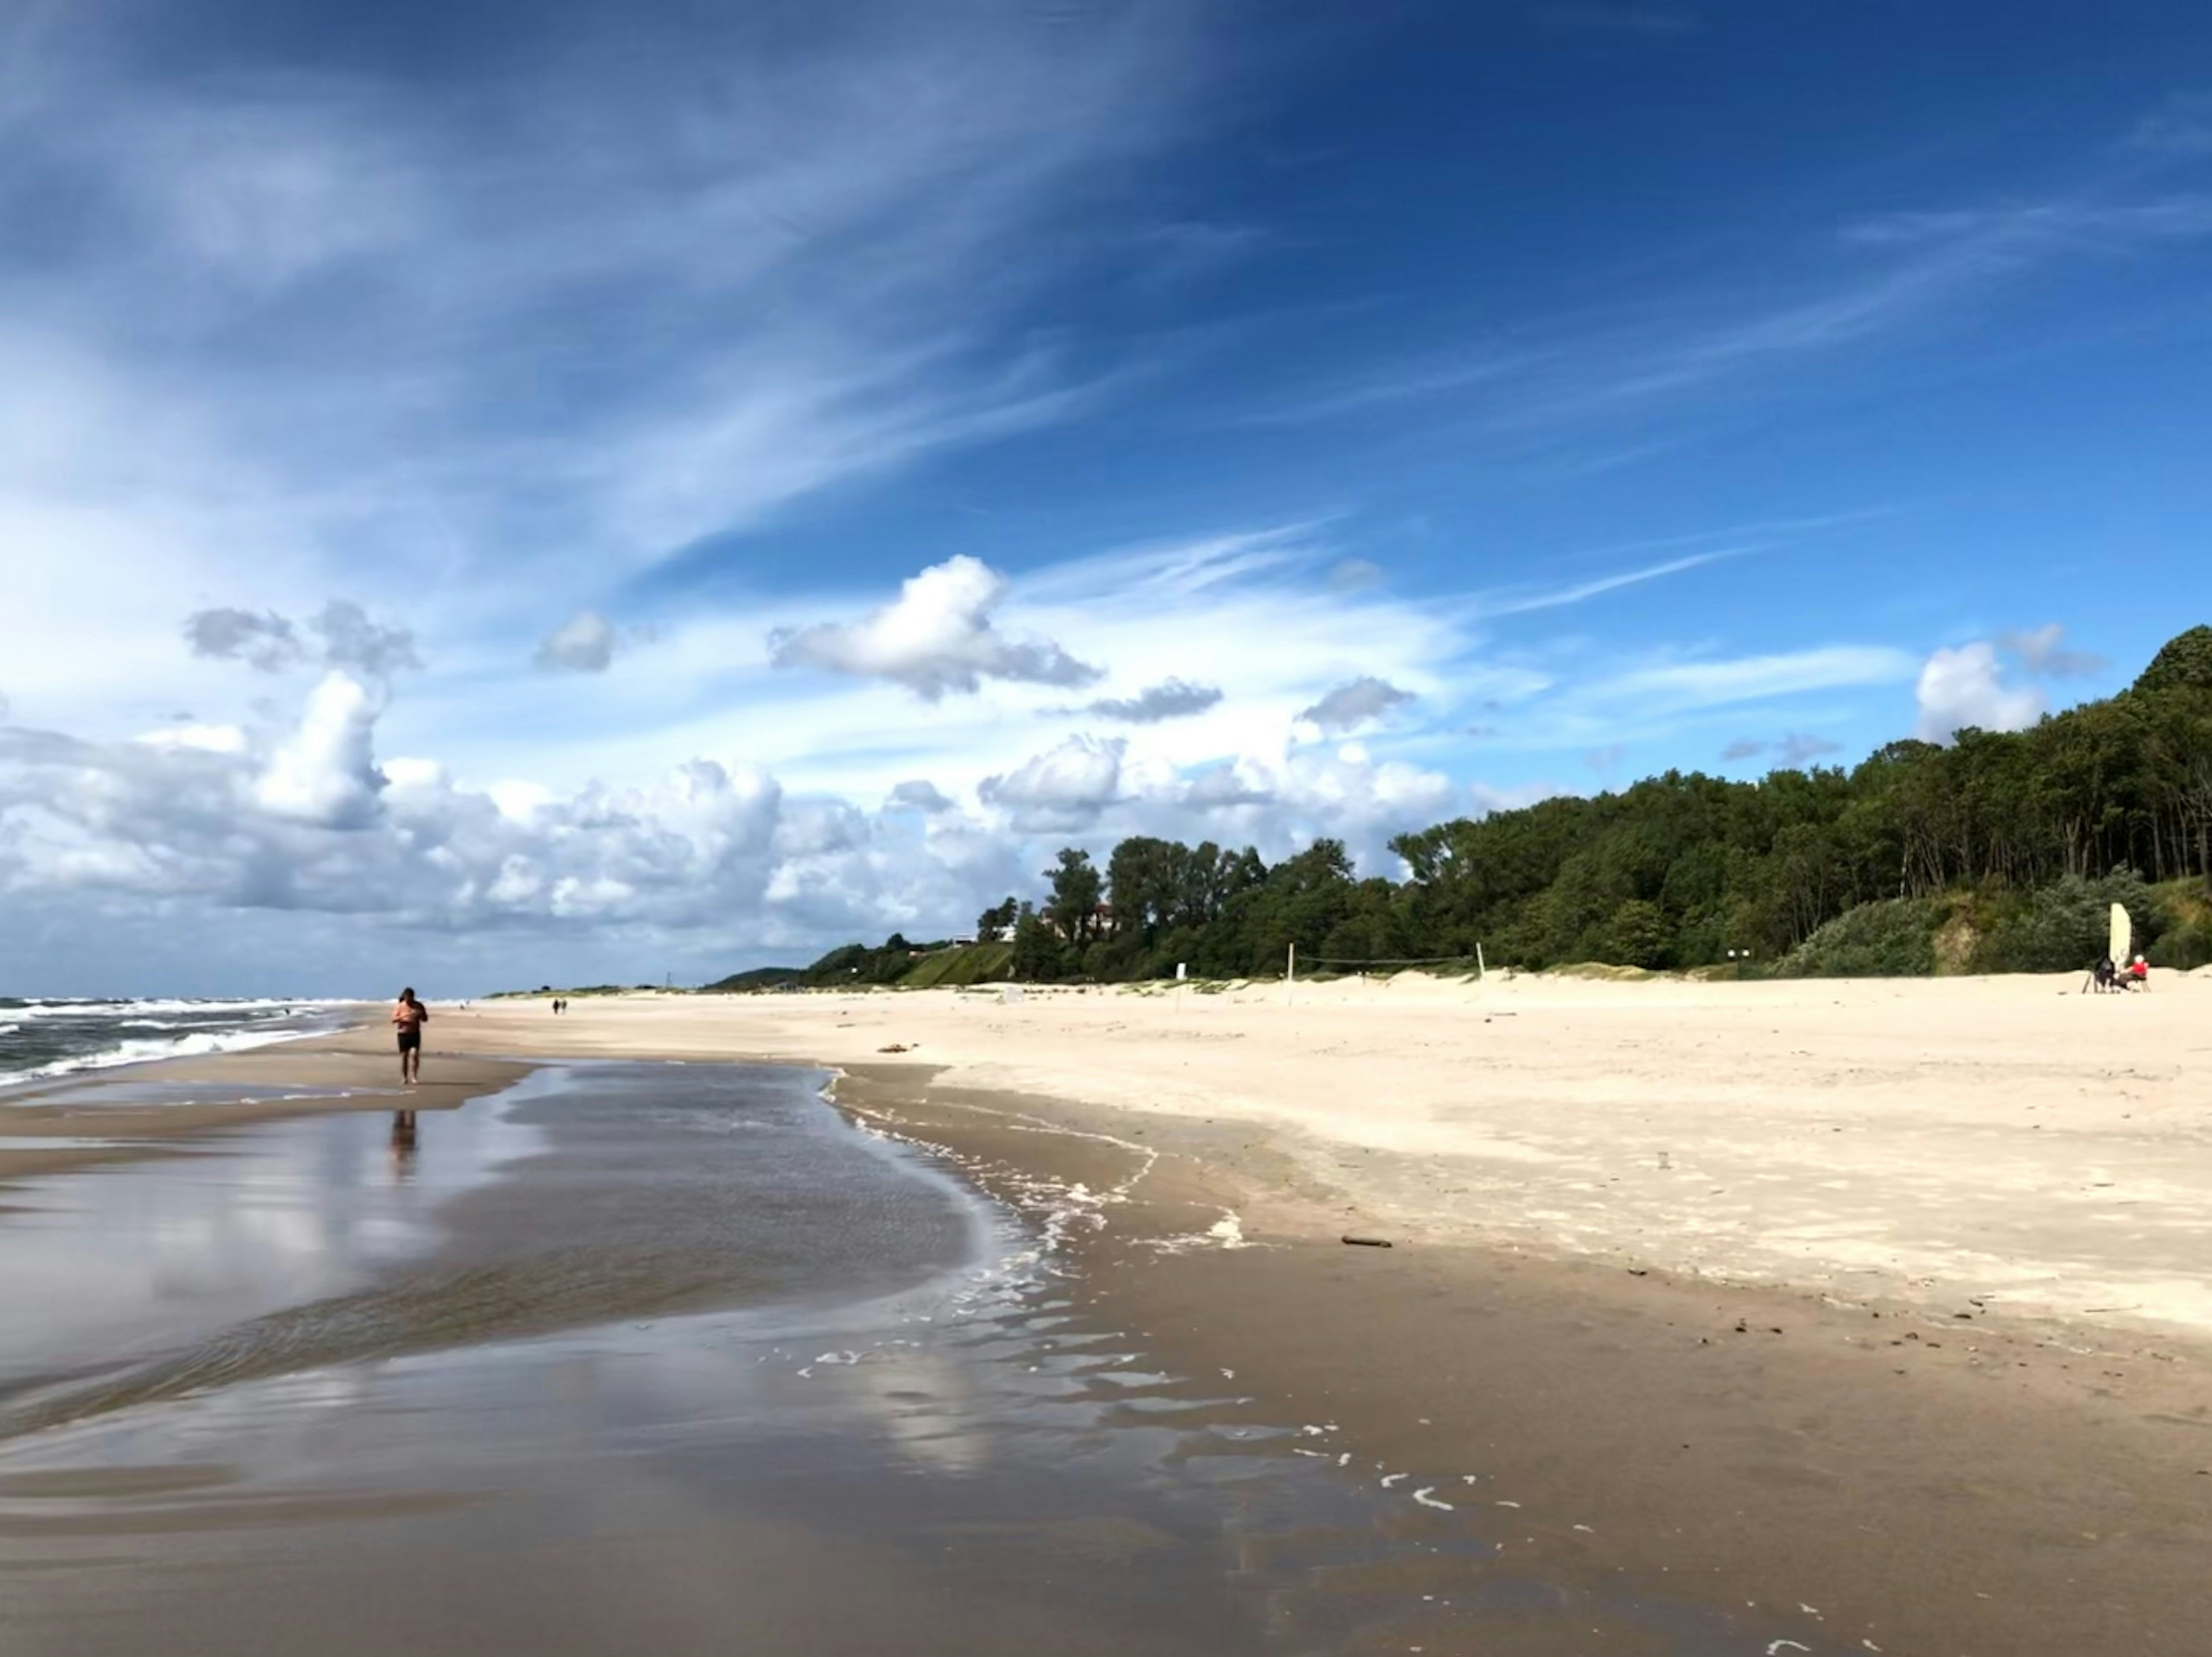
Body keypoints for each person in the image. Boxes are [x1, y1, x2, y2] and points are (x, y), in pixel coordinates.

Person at [391, 987, 428, 1086]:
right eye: (407, 998)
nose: (409, 1000)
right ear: (404, 997)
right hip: (403, 1033)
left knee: (415, 1055)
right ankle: (404, 1077)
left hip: (415, 1033)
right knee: (404, 1057)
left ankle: (415, 1077)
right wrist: (404, 1017)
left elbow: (425, 1019)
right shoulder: (400, 1006)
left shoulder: (418, 1006)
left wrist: (420, 1015)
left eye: (411, 998)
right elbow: (393, 1020)